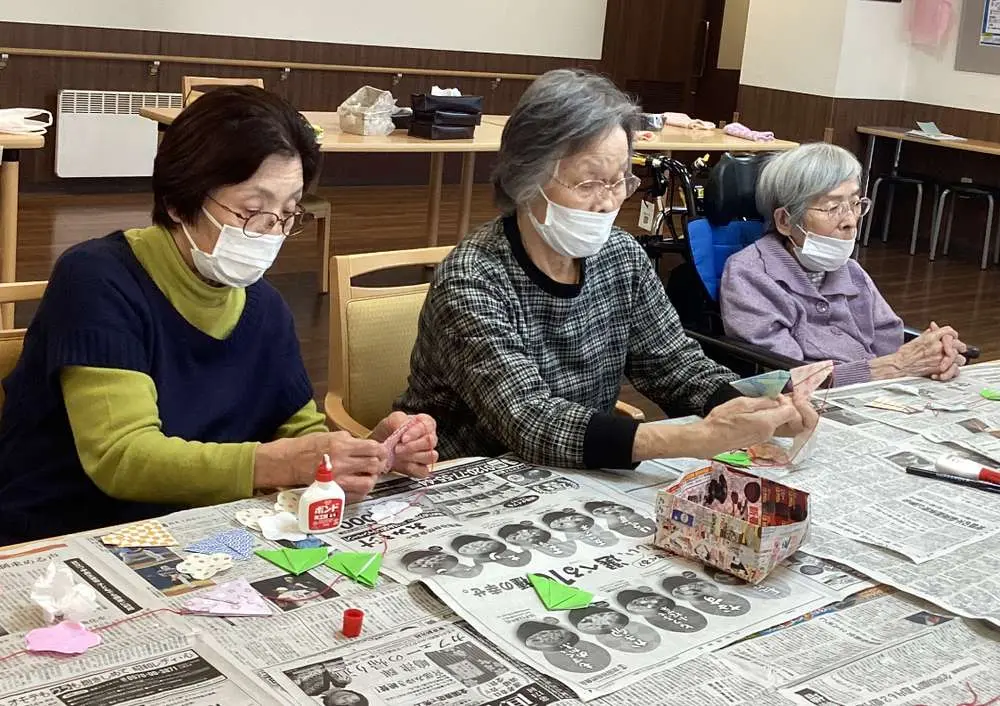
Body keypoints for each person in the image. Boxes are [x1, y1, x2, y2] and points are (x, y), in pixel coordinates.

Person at [0, 87, 437, 543]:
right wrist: (282, 463)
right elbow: (121, 457)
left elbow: (297, 431)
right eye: (253, 210)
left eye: (288, 212)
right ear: (178, 201)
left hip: (203, 531)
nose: (270, 231)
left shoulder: (265, 307)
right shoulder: (98, 280)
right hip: (71, 534)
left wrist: (365, 453)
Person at [396, 68, 815, 470]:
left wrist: (753, 406)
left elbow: (673, 365)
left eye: (619, 181)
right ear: (526, 178)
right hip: (470, 475)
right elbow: (529, 420)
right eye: (588, 183)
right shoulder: (473, 276)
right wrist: (694, 438)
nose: (608, 202)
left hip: (577, 471)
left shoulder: (621, 256)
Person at [720, 142, 968, 387]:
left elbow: (890, 344)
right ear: (785, 220)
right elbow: (787, 378)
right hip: (809, 403)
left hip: (877, 394)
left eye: (855, 203)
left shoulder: (851, 271)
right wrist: (895, 366)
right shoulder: (749, 274)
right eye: (832, 207)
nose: (850, 221)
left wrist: (933, 355)